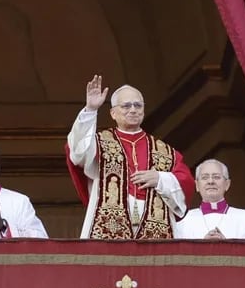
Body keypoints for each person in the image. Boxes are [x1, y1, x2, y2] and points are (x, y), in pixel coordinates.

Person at [67, 74, 194, 239]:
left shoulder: (164, 151)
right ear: (113, 113)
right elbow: (77, 151)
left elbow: (187, 182)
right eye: (126, 106)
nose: (133, 110)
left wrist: (160, 178)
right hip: (108, 224)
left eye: (138, 105)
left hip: (155, 227)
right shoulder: (99, 142)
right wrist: (91, 110)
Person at [174, 159, 245, 240]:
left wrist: (228, 248)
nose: (210, 181)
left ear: (227, 184)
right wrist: (201, 248)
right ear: (197, 185)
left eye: (216, 177)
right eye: (205, 177)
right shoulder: (181, 222)